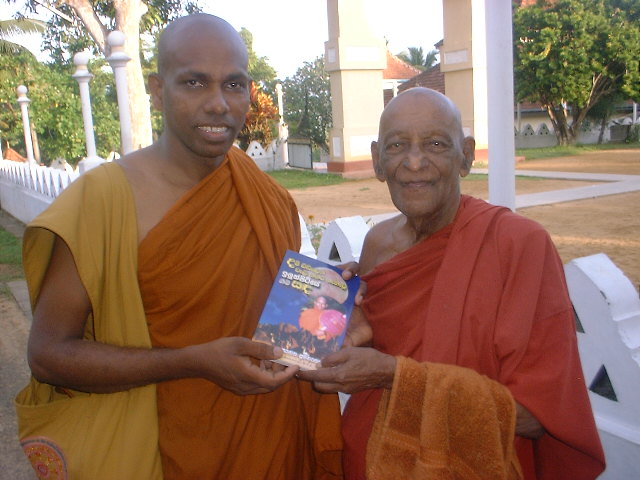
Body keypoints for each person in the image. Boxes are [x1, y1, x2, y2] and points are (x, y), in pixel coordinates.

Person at [16, 14, 343, 480]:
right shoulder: (103, 202)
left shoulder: (266, 196)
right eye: (194, 82)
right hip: (158, 452)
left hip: (269, 444)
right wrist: (190, 363)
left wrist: (331, 297)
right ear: (156, 89)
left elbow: (283, 327)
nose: (218, 104)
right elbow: (48, 355)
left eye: (234, 85)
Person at [299, 87, 605, 479]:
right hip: (371, 459)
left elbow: (536, 418)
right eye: (397, 146)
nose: (413, 162)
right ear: (377, 161)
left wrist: (393, 375)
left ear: (466, 155)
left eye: (435, 144)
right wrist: (348, 329)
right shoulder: (377, 246)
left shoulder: (518, 245)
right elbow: (379, 355)